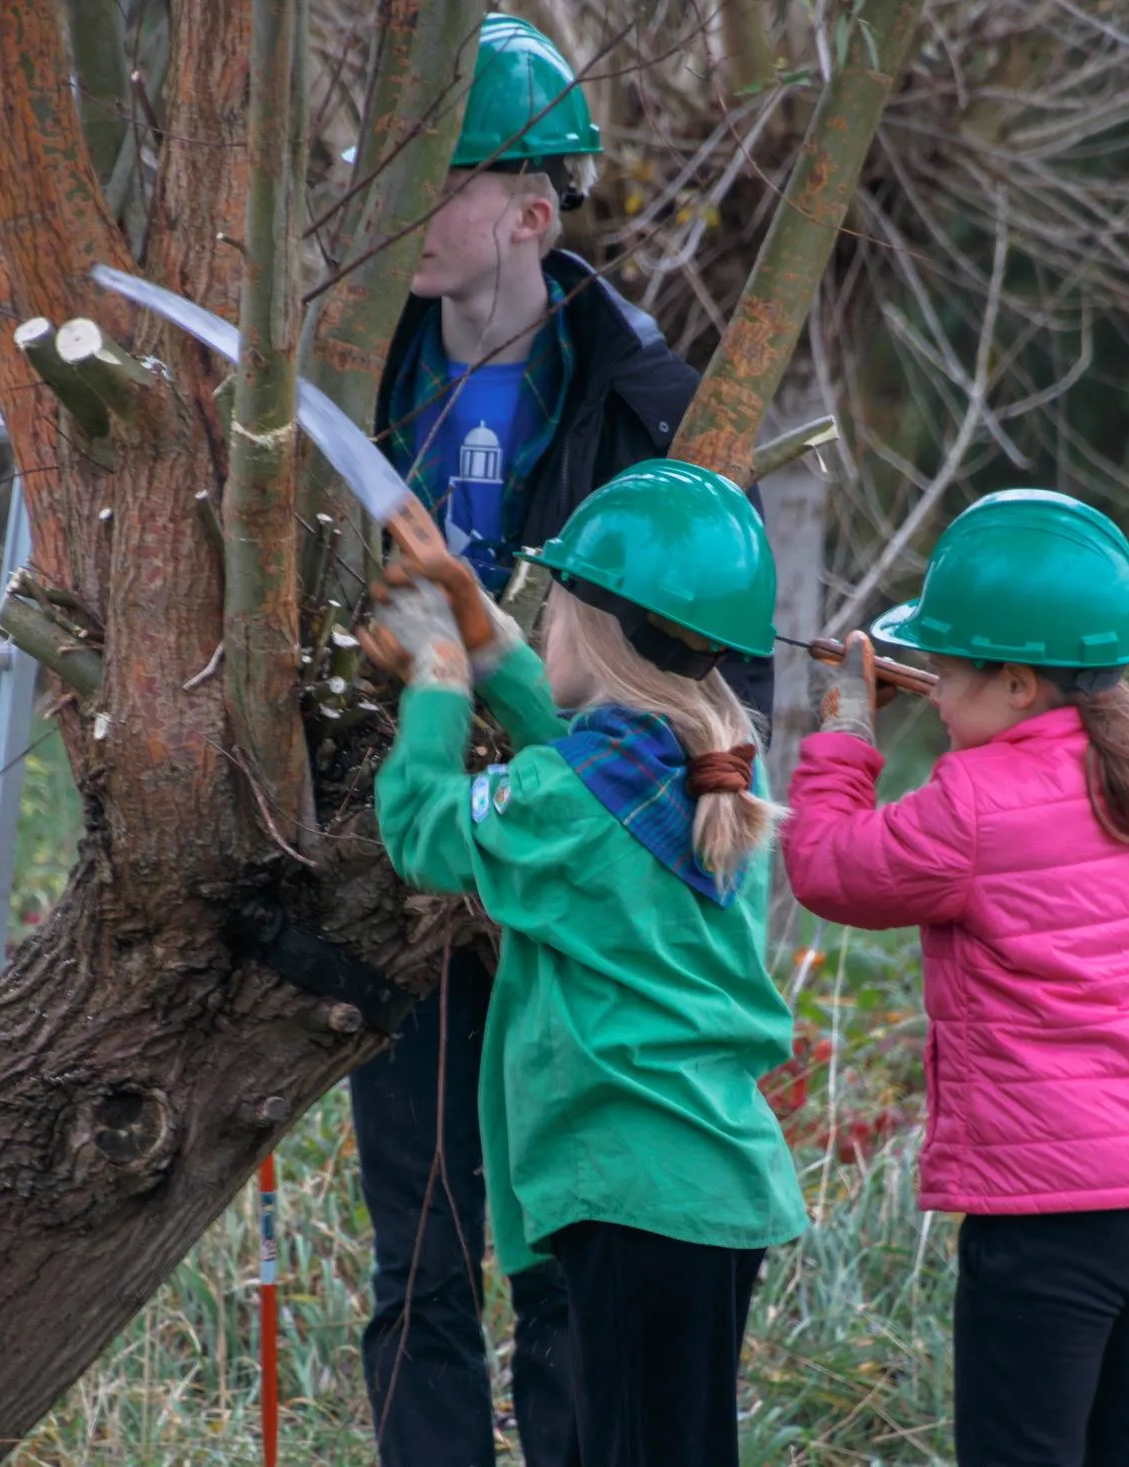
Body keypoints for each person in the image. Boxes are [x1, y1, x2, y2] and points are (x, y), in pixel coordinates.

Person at [349, 16, 772, 1465]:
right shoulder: (351, 370)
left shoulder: (654, 405)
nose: (402, 212)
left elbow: (703, 673)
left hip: (561, 868)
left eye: (440, 181)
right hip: (404, 883)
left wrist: (455, 674)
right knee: (418, 1254)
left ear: (532, 210)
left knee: (564, 1263)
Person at [780, 489, 1129, 1467]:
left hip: (1051, 1210)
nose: (936, 696)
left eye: (946, 674)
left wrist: (848, 732)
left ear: (1021, 684)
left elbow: (826, 867)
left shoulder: (972, 804)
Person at [365, 460, 808, 1467]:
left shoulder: (570, 799)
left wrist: (440, 675)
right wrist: (492, 645)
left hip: (627, 1190)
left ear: (597, 630)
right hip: (710, 1184)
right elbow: (579, 769)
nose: (546, 626)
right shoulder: (716, 775)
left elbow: (422, 827)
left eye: (553, 609)